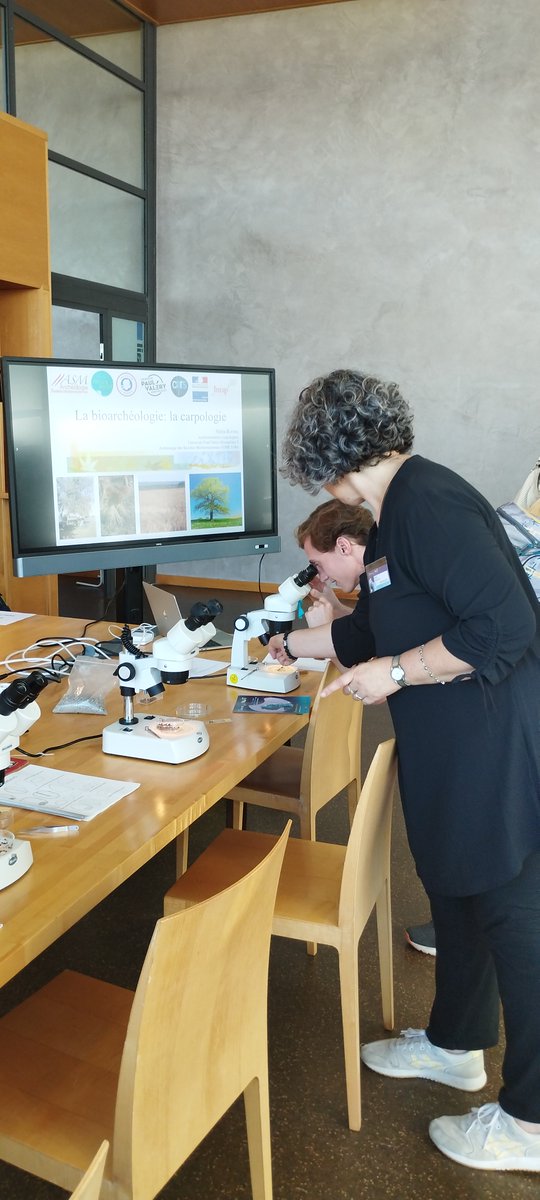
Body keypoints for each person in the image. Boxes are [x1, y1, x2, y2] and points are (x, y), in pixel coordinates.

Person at [278, 368, 540, 1173]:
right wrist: (294, 647)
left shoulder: (425, 505)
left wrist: (395, 675)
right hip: (452, 745)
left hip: (488, 745)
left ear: (329, 461)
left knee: (514, 919)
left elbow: (504, 625)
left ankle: (530, 1124)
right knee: (458, 894)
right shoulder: (398, 512)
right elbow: (385, 622)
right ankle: (456, 1045)